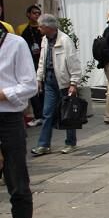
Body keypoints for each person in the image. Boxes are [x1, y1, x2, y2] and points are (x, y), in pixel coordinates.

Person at [0, 24, 38, 218]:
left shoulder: (15, 43)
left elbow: (30, 85)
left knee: (18, 185)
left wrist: (3, 94)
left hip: (8, 119)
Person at [31, 15, 81, 156]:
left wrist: (74, 82)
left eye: (40, 26)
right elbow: (42, 60)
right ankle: (43, 145)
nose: (39, 28)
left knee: (68, 113)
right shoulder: (45, 40)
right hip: (50, 80)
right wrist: (39, 78)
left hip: (64, 80)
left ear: (48, 27)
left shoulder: (64, 40)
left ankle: (71, 143)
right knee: (47, 113)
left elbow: (73, 61)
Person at [17, 5, 43, 125]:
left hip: (42, 60)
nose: (36, 15)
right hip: (29, 61)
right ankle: (38, 115)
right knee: (33, 88)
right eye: (34, 13)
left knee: (44, 88)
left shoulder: (42, 28)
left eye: (38, 13)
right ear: (28, 14)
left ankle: (45, 115)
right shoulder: (22, 28)